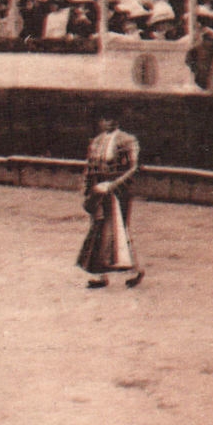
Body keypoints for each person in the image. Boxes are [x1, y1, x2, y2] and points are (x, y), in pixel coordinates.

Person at [77, 105, 144, 288]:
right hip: (99, 189)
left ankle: (136, 270)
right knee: (98, 230)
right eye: (105, 119)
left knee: (120, 229)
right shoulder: (96, 141)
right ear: (100, 122)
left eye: (112, 119)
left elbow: (134, 167)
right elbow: (89, 168)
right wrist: (88, 190)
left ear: (118, 121)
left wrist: (114, 185)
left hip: (117, 191)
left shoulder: (127, 140)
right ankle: (101, 276)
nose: (109, 122)